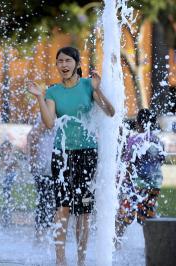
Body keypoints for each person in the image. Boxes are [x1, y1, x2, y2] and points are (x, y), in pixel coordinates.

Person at [28, 46, 115, 266]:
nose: (63, 65)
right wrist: (39, 98)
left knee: (84, 211)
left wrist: (98, 90)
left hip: (87, 154)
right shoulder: (53, 91)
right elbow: (49, 124)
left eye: (67, 60)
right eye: (60, 61)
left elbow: (110, 111)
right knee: (63, 207)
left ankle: (81, 260)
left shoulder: (88, 85)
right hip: (62, 155)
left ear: (77, 63)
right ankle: (60, 260)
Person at [115, 109, 165, 245]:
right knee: (147, 215)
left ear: (138, 123)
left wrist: (119, 179)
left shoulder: (135, 139)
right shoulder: (157, 140)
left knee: (124, 215)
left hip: (137, 185)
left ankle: (115, 245)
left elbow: (128, 163)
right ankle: (153, 246)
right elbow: (161, 160)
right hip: (155, 184)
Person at [26, 115, 56, 242]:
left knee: (52, 201)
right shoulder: (43, 117)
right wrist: (32, 161)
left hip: (54, 167)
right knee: (44, 201)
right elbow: (32, 137)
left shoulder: (59, 114)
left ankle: (49, 232)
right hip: (44, 167)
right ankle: (41, 233)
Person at [0, 140, 18, 226]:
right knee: (6, 190)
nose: (4, 150)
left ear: (9, 148)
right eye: (3, 149)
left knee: (7, 189)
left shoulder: (12, 156)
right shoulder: (5, 157)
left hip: (11, 175)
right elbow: (0, 166)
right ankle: (8, 202)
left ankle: (9, 202)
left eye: (5, 148)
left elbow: (17, 166)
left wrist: (10, 165)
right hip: (8, 176)